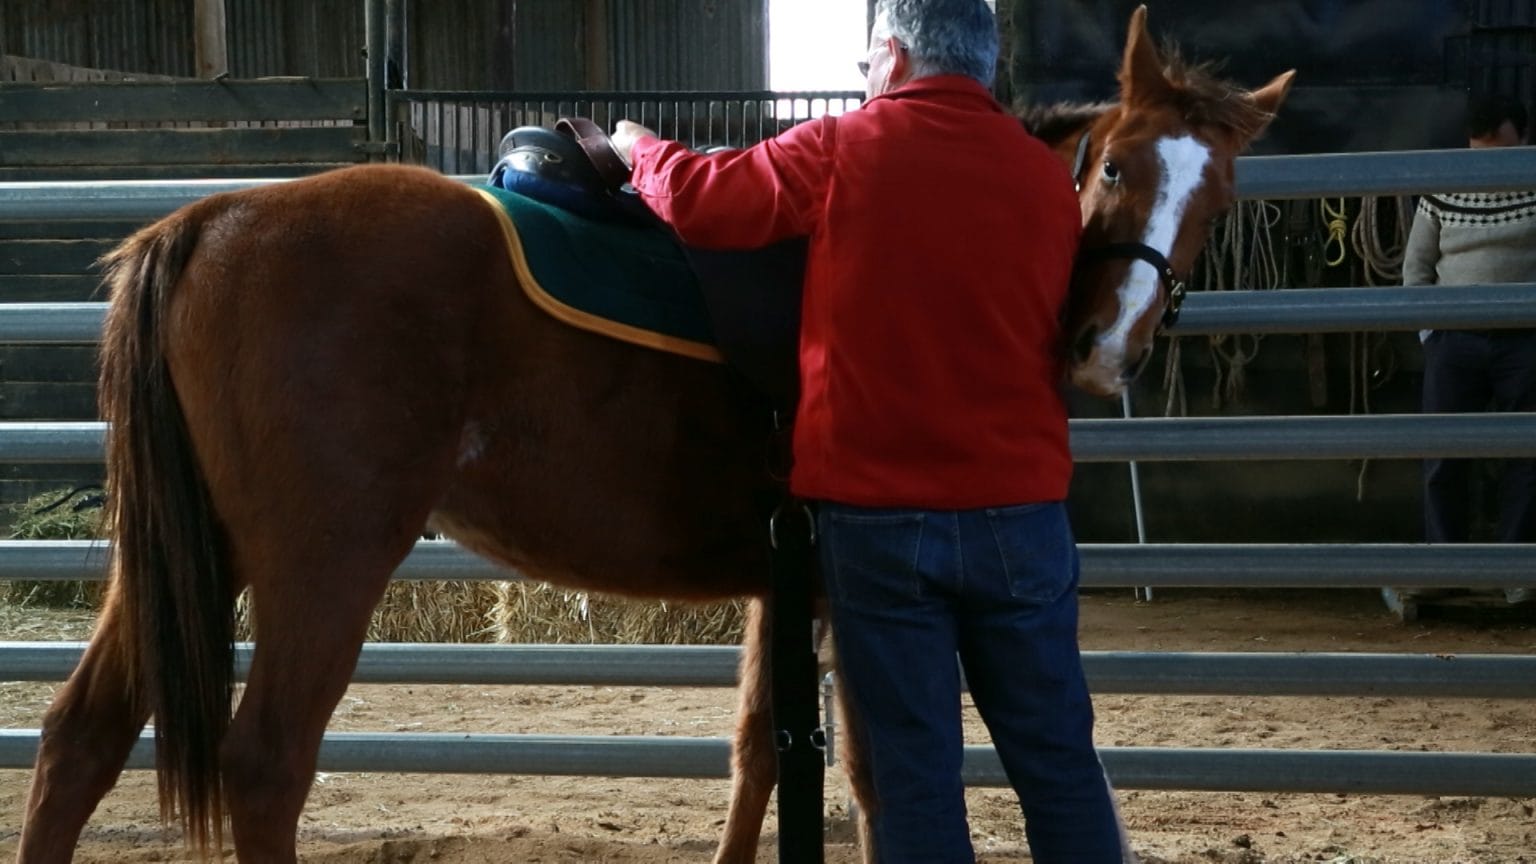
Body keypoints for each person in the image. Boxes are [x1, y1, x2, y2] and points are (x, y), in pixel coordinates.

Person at [610, 1, 1131, 860]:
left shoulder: (844, 147)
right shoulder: (1046, 178)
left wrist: (640, 150)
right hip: (1023, 519)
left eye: (864, 64)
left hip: (880, 520)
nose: (862, 79)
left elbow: (708, 204)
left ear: (891, 55)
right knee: (1058, 762)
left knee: (915, 776)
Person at [1401, 92, 1536, 607]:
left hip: (1524, 339)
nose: (1489, 163)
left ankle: (1517, 572)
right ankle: (1447, 568)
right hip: (1454, 340)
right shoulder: (1444, 186)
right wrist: (1431, 336)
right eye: (1480, 150)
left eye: (1501, 151)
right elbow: (1417, 268)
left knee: (1526, 456)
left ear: (1523, 140)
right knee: (1443, 455)